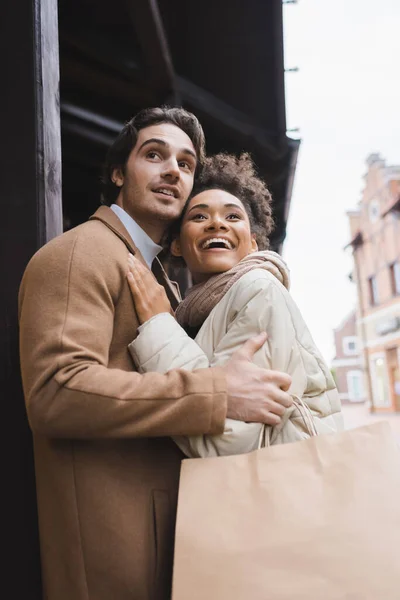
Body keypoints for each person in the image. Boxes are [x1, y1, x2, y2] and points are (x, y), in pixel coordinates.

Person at [18, 107, 293, 600]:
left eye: (187, 164)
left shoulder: (158, 277)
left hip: (165, 539)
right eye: (154, 154)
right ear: (119, 173)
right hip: (113, 551)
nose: (173, 170)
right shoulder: (83, 252)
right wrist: (215, 390)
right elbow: (55, 390)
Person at [127, 152, 343, 458]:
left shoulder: (258, 290)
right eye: (199, 216)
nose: (217, 224)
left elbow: (225, 442)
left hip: (279, 494)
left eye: (232, 216)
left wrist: (159, 325)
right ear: (176, 244)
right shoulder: (199, 312)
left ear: (253, 242)